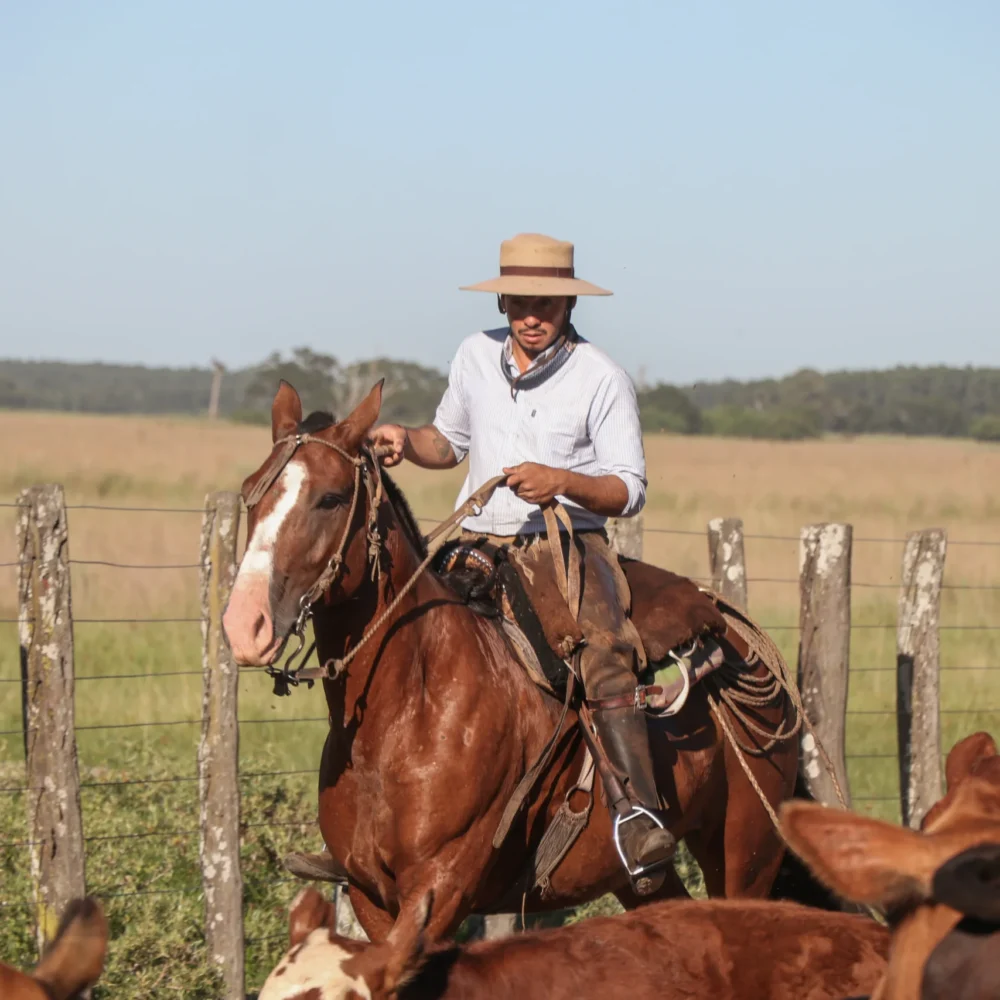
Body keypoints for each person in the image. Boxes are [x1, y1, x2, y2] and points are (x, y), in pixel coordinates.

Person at [372, 232, 675, 892]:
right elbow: (446, 443)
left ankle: (637, 815)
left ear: (569, 307)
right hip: (475, 542)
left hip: (566, 545)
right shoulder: (474, 355)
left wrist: (561, 480)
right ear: (505, 300)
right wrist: (403, 438)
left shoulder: (603, 378)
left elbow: (629, 488)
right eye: (520, 303)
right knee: (399, 638)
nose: (532, 317)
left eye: (547, 304)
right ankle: (381, 822)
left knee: (602, 655)